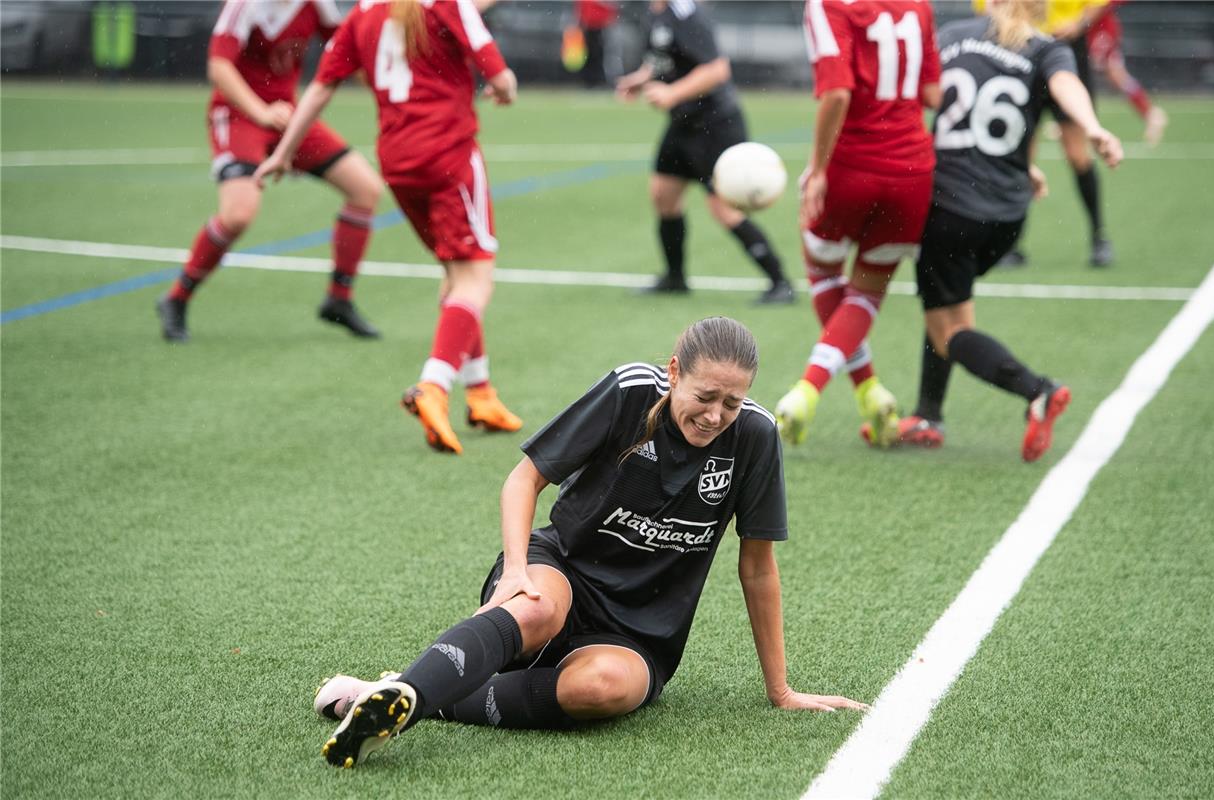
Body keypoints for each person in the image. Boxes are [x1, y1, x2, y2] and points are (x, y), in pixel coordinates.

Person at [308, 317, 866, 768]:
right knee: (536, 609)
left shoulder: (755, 437)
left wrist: (781, 689)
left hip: (639, 632)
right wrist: (516, 571)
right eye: (706, 395)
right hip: (562, 571)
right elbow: (524, 479)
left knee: (602, 689)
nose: (716, 414)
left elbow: (758, 569)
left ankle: (408, 697)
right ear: (674, 372)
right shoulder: (629, 392)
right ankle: (408, 691)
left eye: (733, 401)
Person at [256, 0, 523, 455]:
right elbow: (502, 80)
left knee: (455, 274)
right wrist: (502, 90)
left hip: (399, 162)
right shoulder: (446, 5)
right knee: (475, 278)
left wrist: (284, 151)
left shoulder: (363, 12)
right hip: (448, 156)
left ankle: (481, 394)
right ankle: (434, 385)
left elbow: (321, 87)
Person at [882, 0, 1123, 461]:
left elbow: (917, 99)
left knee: (947, 329)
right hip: (1008, 214)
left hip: (951, 205)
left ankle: (1038, 391)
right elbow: (1065, 85)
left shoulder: (952, 35)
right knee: (949, 304)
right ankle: (928, 413)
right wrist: (1092, 127)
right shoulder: (1047, 49)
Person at [156, 0, 384, 343]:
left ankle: (339, 299)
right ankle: (176, 298)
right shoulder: (244, 6)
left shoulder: (316, 5)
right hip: (239, 116)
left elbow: (348, 52)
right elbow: (219, 68)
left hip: (287, 116)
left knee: (365, 190)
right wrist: (261, 112)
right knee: (238, 216)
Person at [774, 0, 942, 449]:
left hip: (852, 165)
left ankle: (808, 389)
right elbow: (932, 94)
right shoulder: (918, 5)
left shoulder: (829, 5)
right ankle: (870, 391)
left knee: (822, 269)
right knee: (867, 290)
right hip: (911, 171)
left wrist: (819, 170)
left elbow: (837, 93)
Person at [615, 0, 794, 304]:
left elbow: (716, 69)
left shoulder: (685, 13)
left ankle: (780, 282)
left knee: (724, 208)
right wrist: (641, 79)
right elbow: (664, 59)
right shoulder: (654, 12)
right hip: (683, 123)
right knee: (663, 195)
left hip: (715, 124)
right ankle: (675, 278)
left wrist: (672, 93)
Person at [981, 0, 1114, 269]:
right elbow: (986, 8)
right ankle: (1012, 244)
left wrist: (1079, 24)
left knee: (1077, 156)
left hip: (1065, 50)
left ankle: (1099, 237)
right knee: (1021, 156)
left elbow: (1098, 4)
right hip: (1021, 50)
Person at [1087, 0, 1167, 147]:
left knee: (1115, 74)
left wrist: (1081, 20)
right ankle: (1072, 120)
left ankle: (1150, 113)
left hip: (1099, 28)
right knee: (1081, 71)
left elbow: (1100, 6)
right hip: (1089, 29)